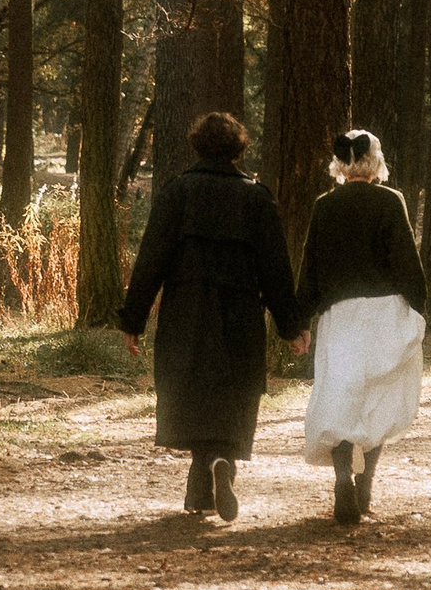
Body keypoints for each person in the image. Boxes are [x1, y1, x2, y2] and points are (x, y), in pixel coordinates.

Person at [118, 111, 308, 523]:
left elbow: (151, 259)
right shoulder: (257, 198)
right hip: (240, 309)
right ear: (239, 149)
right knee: (232, 393)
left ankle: (205, 484)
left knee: (193, 392)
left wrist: (133, 319)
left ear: (197, 146)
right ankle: (222, 463)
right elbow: (276, 268)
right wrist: (290, 325)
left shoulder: (176, 192)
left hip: (186, 309)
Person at [296, 129, 426, 525]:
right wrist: (419, 308)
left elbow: (312, 266)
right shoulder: (391, 202)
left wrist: (300, 320)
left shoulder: (324, 206)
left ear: (340, 163)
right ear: (375, 161)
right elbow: (405, 259)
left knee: (341, 397)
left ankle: (341, 477)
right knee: (377, 399)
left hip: (342, 315)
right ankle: (365, 485)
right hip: (385, 312)